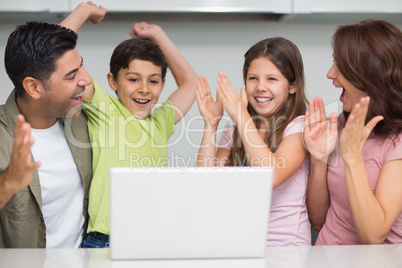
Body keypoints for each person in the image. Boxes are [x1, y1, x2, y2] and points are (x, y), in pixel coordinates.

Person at [59, 15, 197, 247]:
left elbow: (190, 84)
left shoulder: (161, 121)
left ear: (163, 85)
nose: (144, 89)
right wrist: (83, 10)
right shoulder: (104, 108)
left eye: (153, 81)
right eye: (133, 79)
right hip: (106, 239)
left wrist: (158, 35)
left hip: (154, 239)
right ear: (113, 82)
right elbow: (56, 48)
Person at [0, 2, 106, 248]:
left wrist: (83, 10)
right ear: (34, 87)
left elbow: (53, 53)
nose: (86, 79)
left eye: (81, 65)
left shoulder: (82, 119)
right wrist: (9, 182)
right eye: (71, 76)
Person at [196, 37, 311, 246]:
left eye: (272, 79)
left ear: (293, 86)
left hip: (286, 248)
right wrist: (211, 124)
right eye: (253, 78)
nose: (260, 87)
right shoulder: (235, 131)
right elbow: (205, 185)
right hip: (238, 242)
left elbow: (271, 175)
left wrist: (241, 116)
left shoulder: (300, 127)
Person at [304, 19, 402, 245]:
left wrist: (352, 157)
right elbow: (318, 221)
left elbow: (373, 235)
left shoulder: (397, 141)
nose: (330, 74)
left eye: (340, 66)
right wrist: (319, 159)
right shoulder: (340, 125)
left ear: (369, 73)